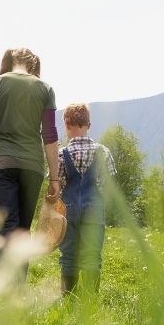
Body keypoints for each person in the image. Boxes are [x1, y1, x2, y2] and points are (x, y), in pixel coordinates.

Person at [0, 48, 60, 282]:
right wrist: (55, 177)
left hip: (0, 163)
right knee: (22, 229)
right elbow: (50, 134)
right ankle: (17, 289)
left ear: (9, 61)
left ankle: (6, 286)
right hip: (32, 167)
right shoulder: (45, 88)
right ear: (32, 64)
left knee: (6, 228)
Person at [57, 103, 116, 295]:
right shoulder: (103, 152)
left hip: (68, 209)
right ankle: (90, 302)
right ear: (89, 125)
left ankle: (69, 299)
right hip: (94, 208)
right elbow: (109, 185)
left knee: (68, 256)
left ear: (66, 125)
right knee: (92, 255)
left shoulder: (60, 154)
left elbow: (55, 186)